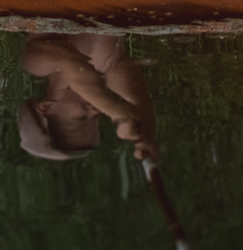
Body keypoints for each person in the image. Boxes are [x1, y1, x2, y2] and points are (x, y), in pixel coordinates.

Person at [15, 33, 159, 164]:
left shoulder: (37, 64)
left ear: (46, 107)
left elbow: (71, 62)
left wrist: (118, 114)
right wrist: (142, 139)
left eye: (81, 118)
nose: (97, 110)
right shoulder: (109, 69)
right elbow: (138, 99)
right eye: (95, 119)